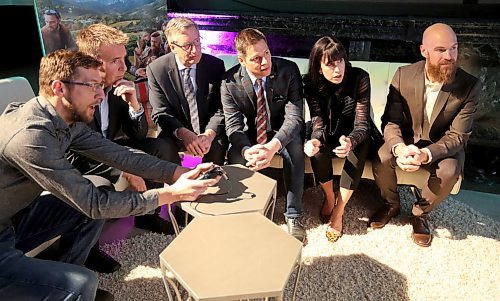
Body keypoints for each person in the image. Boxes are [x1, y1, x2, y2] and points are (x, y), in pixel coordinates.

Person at [0, 49, 219, 300]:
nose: (101, 94)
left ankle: (56, 277)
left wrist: (178, 172)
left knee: (89, 212)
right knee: (82, 284)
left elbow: (118, 154)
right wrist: (169, 194)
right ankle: (63, 288)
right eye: (93, 85)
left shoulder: (61, 120)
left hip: (16, 217)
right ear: (59, 88)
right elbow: (94, 204)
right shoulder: (31, 137)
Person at [369, 23, 481, 247]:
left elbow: (458, 136)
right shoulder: (404, 75)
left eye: (454, 48)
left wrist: (426, 154)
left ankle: (419, 213)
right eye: (441, 50)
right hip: (408, 140)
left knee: (449, 171)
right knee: (382, 156)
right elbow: (391, 121)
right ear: (424, 51)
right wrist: (400, 148)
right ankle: (391, 204)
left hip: (442, 145)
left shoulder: (470, 86)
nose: (449, 56)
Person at [74, 23, 178, 239]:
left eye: (124, 59)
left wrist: (135, 105)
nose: (124, 67)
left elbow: (138, 136)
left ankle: (148, 214)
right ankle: (88, 249)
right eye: (115, 61)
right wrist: (123, 170)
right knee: (101, 182)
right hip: (84, 159)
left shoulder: (116, 86)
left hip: (109, 149)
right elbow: (76, 155)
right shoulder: (75, 94)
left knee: (160, 146)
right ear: (93, 63)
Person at [221, 28, 306, 242]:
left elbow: (295, 117)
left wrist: (272, 146)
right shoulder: (229, 83)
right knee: (235, 156)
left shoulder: (288, 70)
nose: (265, 62)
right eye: (256, 58)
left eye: (267, 53)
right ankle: (245, 210)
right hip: (251, 134)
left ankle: (293, 215)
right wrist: (247, 150)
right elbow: (233, 125)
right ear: (242, 60)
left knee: (295, 148)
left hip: (281, 131)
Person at [303, 36, 373, 243]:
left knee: (359, 148)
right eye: (330, 64)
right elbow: (317, 121)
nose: (337, 69)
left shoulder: (359, 77)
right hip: (327, 129)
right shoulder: (309, 82)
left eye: (340, 61)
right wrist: (316, 139)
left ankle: (339, 210)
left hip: (355, 131)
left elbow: (362, 123)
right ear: (318, 67)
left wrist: (350, 140)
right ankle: (329, 197)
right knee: (318, 147)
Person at [147, 17, 227, 166]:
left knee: (217, 146)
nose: (195, 50)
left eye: (197, 41)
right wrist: (183, 133)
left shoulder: (215, 66)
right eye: (187, 45)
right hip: (176, 132)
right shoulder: (157, 70)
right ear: (172, 47)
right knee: (163, 149)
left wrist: (209, 134)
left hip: (207, 131)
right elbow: (161, 112)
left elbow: (220, 108)